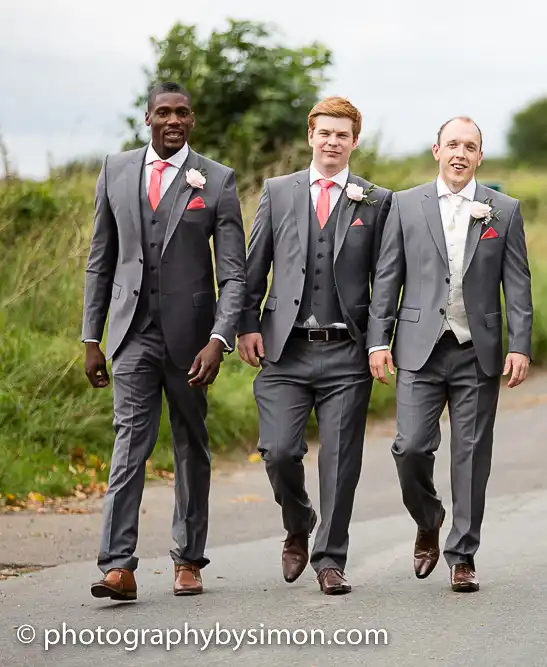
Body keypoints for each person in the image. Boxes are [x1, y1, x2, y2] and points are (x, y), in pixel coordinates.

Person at [82, 81, 247, 600]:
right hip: (130, 334)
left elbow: (235, 275)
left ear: (191, 120)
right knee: (129, 444)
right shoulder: (115, 170)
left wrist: (220, 339)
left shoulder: (216, 180)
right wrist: (92, 337)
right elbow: (100, 259)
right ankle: (117, 567)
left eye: (182, 113)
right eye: (163, 113)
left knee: (190, 447)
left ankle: (188, 559)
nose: (172, 120)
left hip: (193, 341)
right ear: (148, 117)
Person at [367, 116, 533, 592]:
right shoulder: (404, 204)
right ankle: (429, 516)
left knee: (472, 455)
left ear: (481, 156)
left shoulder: (503, 209)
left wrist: (520, 344)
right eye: (452, 144)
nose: (460, 153)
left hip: (476, 350)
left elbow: (517, 286)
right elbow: (387, 277)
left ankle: (463, 555)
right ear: (436, 150)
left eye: (470, 146)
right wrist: (379, 340)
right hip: (419, 348)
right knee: (411, 447)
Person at [237, 97, 392, 595]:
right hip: (285, 348)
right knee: (279, 451)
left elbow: (385, 279)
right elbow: (253, 264)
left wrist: (379, 341)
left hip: (347, 350)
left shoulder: (375, 199)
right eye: (324, 132)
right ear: (311, 136)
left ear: (354, 142)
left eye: (342, 135)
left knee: (340, 461)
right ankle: (299, 520)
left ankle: (330, 559)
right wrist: (246, 325)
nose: (332, 142)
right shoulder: (278, 192)